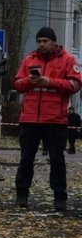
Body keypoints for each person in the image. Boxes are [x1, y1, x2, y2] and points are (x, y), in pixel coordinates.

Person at [14, 26, 81, 211]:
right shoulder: (29, 59)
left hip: (55, 119)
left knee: (57, 160)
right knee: (26, 159)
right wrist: (30, 81)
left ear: (53, 42)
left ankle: (60, 198)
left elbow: (75, 84)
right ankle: (22, 195)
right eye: (39, 41)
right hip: (30, 119)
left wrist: (50, 82)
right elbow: (18, 83)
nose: (41, 44)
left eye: (45, 41)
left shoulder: (67, 60)